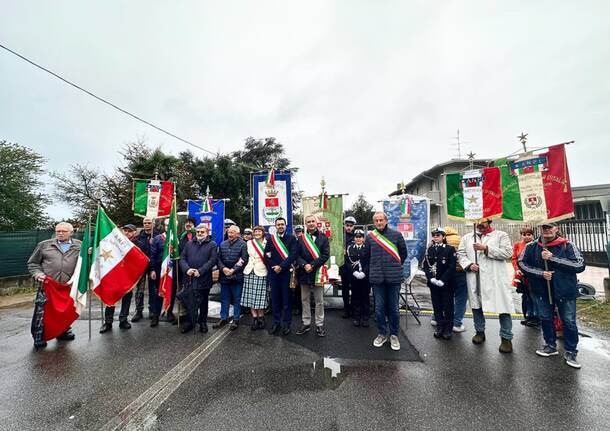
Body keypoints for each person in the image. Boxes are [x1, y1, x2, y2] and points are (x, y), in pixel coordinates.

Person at [519, 222, 586, 369]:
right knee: (545, 317)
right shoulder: (531, 246)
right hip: (541, 290)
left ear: (557, 229)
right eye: (544, 227)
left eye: (550, 227)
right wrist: (540, 274)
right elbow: (522, 263)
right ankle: (550, 345)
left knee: (568, 321)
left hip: (565, 291)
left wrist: (552, 258)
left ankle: (571, 351)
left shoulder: (568, 245)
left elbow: (579, 265)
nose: (547, 230)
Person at [457, 218, 514, 353]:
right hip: (475, 277)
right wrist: (469, 265)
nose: (480, 226)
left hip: (495, 278)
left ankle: (506, 338)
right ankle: (479, 331)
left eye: (483, 223)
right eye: (477, 223)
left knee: (503, 306)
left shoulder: (501, 235)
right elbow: (461, 254)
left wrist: (486, 248)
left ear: (489, 221)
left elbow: (508, 253)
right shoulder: (467, 237)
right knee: (477, 306)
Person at [27, 222, 82, 348]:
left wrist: (89, 253)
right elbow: (33, 263)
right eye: (58, 231)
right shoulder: (44, 245)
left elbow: (85, 262)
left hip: (68, 286)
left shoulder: (80, 246)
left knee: (64, 312)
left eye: (64, 231)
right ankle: (38, 337)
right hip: (47, 286)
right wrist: (38, 274)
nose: (60, 233)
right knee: (41, 313)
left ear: (71, 233)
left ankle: (63, 332)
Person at [365, 212, 407, 351]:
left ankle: (394, 335)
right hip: (377, 279)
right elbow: (366, 256)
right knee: (379, 309)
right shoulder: (370, 237)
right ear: (374, 222)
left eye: (381, 220)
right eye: (376, 220)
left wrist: (393, 267)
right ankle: (382, 333)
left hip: (394, 278)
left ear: (386, 221)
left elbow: (403, 254)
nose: (378, 222)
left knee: (394, 309)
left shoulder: (396, 235)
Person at [99, 224, 142, 333]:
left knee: (127, 298)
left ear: (135, 232)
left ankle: (123, 320)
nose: (126, 233)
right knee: (111, 298)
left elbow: (142, 259)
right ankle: (108, 322)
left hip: (128, 276)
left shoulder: (138, 244)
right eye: (125, 231)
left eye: (129, 231)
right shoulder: (114, 243)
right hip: (115, 275)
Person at [296, 215, 331, 337]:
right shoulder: (300, 239)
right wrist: (304, 264)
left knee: (319, 301)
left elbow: (325, 255)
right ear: (305, 224)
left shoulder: (323, 238)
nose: (311, 223)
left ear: (316, 223)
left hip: (317, 272)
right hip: (304, 272)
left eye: (312, 221)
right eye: (308, 222)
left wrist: (312, 265)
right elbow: (296, 255)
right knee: (304, 300)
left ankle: (319, 325)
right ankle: (306, 323)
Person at [179, 224, 218, 333]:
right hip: (189, 277)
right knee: (189, 301)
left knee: (203, 302)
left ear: (207, 233)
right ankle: (190, 322)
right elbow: (182, 258)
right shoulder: (189, 243)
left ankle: (202, 322)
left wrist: (200, 271)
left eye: (202, 232)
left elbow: (213, 260)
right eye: (198, 232)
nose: (200, 234)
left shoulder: (212, 244)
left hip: (203, 278)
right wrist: (187, 269)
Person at [264, 217, 298, 335]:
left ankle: (287, 324)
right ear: (275, 226)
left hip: (286, 274)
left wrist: (281, 266)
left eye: (282, 224)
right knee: (275, 300)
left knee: (287, 300)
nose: (280, 226)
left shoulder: (291, 239)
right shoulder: (270, 239)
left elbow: (293, 255)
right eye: (278, 224)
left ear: (285, 225)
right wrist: (274, 266)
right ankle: (276, 322)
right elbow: (266, 256)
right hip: (274, 274)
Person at [423, 228, 456, 340]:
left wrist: (443, 280)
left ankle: (448, 329)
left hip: (446, 284)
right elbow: (426, 266)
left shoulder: (450, 249)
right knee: (437, 306)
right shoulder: (429, 250)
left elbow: (452, 267)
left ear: (444, 237)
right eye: (434, 235)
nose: (436, 237)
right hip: (434, 284)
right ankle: (439, 327)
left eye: (438, 235)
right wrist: (431, 278)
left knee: (448, 307)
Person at [214, 225, 248, 330]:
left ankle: (236, 319)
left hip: (236, 277)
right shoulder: (223, 244)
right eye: (229, 232)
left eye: (232, 232)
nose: (230, 234)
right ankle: (223, 318)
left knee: (237, 299)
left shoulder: (243, 244)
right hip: (224, 276)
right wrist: (223, 268)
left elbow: (244, 259)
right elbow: (218, 259)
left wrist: (233, 270)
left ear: (237, 234)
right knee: (224, 299)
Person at [131, 217, 159, 322]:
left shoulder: (158, 235)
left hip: (153, 267)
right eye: (145, 223)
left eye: (149, 223)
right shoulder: (138, 237)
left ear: (153, 223)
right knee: (139, 290)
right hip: (141, 267)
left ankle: (152, 310)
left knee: (153, 290)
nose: (147, 224)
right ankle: (138, 311)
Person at [241, 226, 268, 330]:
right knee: (251, 297)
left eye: (259, 231)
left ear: (263, 233)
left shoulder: (267, 243)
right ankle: (255, 319)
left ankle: (261, 318)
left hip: (261, 271)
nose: (257, 233)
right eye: (255, 231)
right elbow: (244, 257)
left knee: (260, 298)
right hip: (249, 271)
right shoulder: (248, 243)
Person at [511, 227, 539, 327]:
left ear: (532, 235)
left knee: (534, 296)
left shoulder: (537, 244)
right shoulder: (517, 245)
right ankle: (528, 316)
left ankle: (536, 317)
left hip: (533, 274)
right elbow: (514, 258)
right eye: (524, 234)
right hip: (521, 275)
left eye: (528, 234)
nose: (526, 236)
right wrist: (517, 269)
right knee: (526, 297)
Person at [444, 226, 468, 333]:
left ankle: (437, 318)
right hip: (460, 272)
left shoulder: (439, 239)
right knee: (460, 298)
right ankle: (456, 323)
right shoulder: (461, 239)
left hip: (444, 273)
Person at [149, 219, 171, 327]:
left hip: (172, 271)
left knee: (171, 292)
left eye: (171, 225)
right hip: (159, 270)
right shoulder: (158, 239)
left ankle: (169, 313)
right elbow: (152, 255)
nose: (169, 227)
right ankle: (155, 316)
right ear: (164, 226)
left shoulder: (177, 239)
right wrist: (152, 269)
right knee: (159, 293)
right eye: (167, 225)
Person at [346, 229, 370, 327]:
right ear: (354, 238)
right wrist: (354, 272)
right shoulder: (349, 248)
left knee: (365, 297)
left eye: (360, 237)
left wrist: (364, 272)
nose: (358, 239)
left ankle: (365, 318)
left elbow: (370, 261)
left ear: (363, 238)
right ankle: (356, 317)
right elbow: (347, 262)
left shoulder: (367, 248)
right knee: (355, 297)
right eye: (356, 237)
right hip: (354, 277)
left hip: (365, 277)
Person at [340, 216, 357, 318]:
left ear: (353, 226)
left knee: (354, 289)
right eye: (347, 225)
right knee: (345, 289)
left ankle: (353, 308)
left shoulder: (357, 236)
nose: (349, 228)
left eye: (351, 226)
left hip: (354, 267)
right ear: (344, 225)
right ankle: (346, 308)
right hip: (343, 267)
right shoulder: (341, 237)